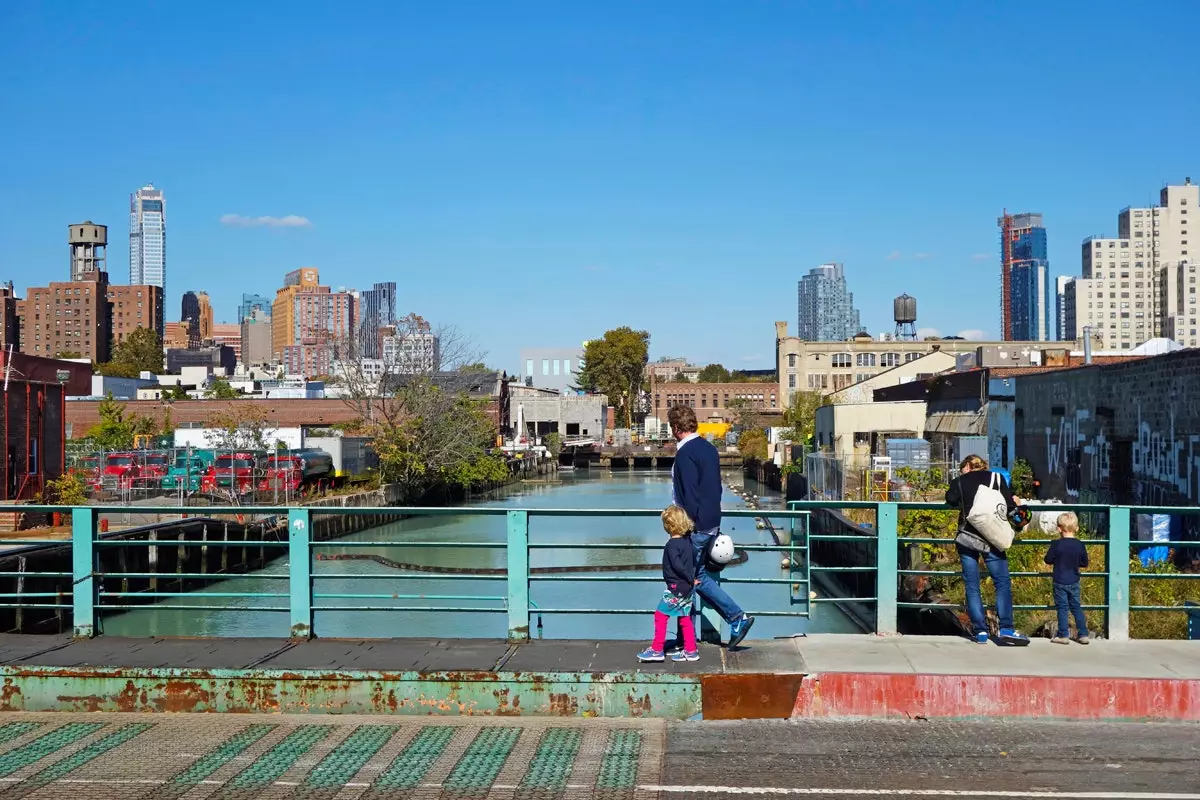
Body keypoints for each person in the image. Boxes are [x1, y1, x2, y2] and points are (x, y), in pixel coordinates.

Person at [668, 405, 754, 649]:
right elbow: (715, 489)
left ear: (675, 429)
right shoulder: (708, 448)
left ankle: (731, 620)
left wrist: (685, 527)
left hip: (694, 526)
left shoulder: (685, 454)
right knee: (698, 577)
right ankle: (731, 620)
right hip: (712, 522)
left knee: (685, 579)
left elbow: (688, 494)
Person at [944, 454, 1029, 646]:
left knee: (972, 585)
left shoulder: (959, 481)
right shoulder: (997, 479)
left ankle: (980, 631)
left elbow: (950, 499)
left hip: (967, 538)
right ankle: (1006, 628)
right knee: (1002, 582)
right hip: (992, 537)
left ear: (967, 466)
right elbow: (1008, 507)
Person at [637, 505, 700, 663]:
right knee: (685, 618)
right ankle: (691, 650)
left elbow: (677, 565)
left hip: (675, 588)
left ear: (668, 526)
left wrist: (688, 578)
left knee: (660, 615)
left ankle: (657, 649)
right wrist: (691, 579)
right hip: (687, 588)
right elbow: (692, 558)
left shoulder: (671, 545)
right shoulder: (688, 542)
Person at [1045, 511, 1090, 645]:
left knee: (1062, 608)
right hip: (1074, 579)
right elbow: (1084, 562)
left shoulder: (1056, 544)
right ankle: (1083, 634)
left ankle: (1063, 635)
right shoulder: (1079, 544)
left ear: (1059, 528)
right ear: (1076, 528)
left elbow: (1048, 560)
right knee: (1076, 607)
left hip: (1059, 580)